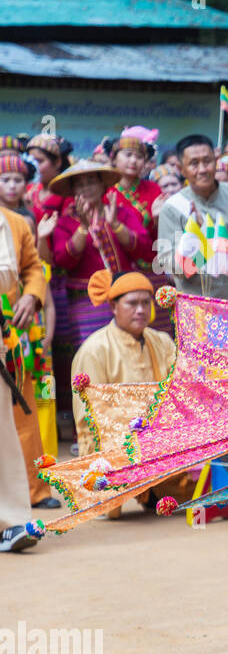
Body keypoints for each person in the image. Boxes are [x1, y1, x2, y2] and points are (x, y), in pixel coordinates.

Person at [70, 269, 192, 510]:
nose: (140, 310)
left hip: (160, 443)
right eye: (132, 303)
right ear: (114, 307)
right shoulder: (94, 349)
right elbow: (88, 421)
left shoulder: (162, 341)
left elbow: (181, 393)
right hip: (115, 446)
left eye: (146, 303)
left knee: (196, 489)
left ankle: (156, 490)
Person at [48, 160, 149, 416]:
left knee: (127, 354)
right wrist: (82, 228)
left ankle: (131, 417)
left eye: (91, 181)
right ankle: (92, 420)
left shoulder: (123, 213)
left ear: (102, 184)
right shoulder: (65, 223)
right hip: (86, 304)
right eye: (79, 183)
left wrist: (116, 225)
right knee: (91, 356)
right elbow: (62, 260)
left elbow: (144, 249)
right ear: (72, 191)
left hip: (126, 300)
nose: (86, 187)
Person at [156, 134, 228, 305]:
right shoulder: (172, 208)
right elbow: (176, 269)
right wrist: (201, 240)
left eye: (207, 161)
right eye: (194, 163)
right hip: (200, 310)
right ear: (181, 168)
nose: (202, 169)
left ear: (216, 161)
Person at [1, 197, 56, 512]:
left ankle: (36, 490)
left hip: (11, 335)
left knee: (23, 411)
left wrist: (32, 296)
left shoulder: (15, 223)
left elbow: (33, 268)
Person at [105, 130, 169, 335]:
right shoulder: (106, 191)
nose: (134, 161)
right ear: (113, 159)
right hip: (120, 270)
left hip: (153, 268)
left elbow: (163, 238)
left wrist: (160, 220)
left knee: (158, 330)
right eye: (127, 155)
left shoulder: (154, 190)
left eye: (139, 157)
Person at [25, 134, 72, 225]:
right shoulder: (28, 190)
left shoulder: (67, 193)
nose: (34, 166)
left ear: (57, 162)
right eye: (31, 161)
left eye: (39, 161)